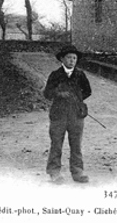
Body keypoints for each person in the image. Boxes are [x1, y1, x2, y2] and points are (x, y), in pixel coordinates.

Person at [43, 45, 92, 184]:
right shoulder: (55, 75)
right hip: (58, 114)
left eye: (75, 58)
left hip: (76, 114)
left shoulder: (80, 74)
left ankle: (77, 172)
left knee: (76, 144)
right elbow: (47, 93)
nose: (72, 60)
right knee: (56, 143)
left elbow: (88, 91)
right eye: (69, 57)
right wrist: (59, 94)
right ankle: (54, 172)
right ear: (62, 59)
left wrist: (77, 98)